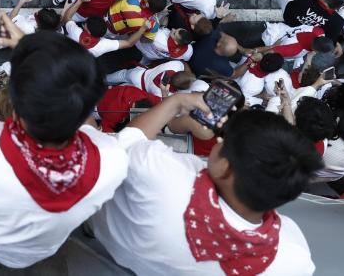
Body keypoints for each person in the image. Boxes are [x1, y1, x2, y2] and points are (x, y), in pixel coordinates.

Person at [0, 25, 129, 268]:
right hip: (39, 252)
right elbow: (84, 118)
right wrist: (35, 55)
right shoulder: (112, 159)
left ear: (15, 108)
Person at [92, 101, 319, 274]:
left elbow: (126, 142)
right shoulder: (293, 255)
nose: (219, 141)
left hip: (99, 241)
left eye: (225, 142)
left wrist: (175, 102)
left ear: (225, 169)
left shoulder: (165, 172)